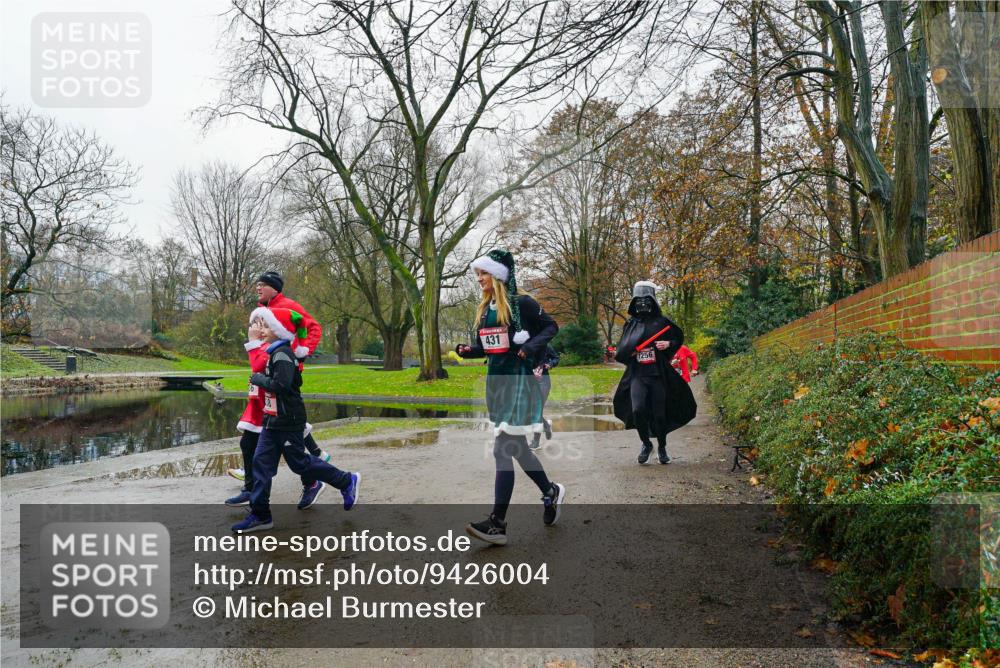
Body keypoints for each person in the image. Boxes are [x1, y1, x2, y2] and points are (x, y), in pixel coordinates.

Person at [456, 250, 564, 546]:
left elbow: (551, 327)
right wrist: (468, 351)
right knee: (517, 449)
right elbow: (488, 349)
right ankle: (550, 491)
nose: (479, 279)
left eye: (484, 273)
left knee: (503, 449)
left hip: (520, 383)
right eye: (477, 273)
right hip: (497, 385)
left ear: (499, 275)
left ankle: (497, 523)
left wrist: (530, 348)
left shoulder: (522, 304)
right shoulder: (485, 308)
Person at [232, 307, 360, 533]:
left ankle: (346, 480)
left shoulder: (282, 354)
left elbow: (282, 385)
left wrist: (260, 379)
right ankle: (261, 515)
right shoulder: (275, 351)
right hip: (273, 421)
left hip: (288, 421)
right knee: (260, 463)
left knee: (300, 463)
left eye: (268, 326)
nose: (263, 330)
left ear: (280, 331)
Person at [227, 271, 329, 510]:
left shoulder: (288, 307)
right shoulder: (261, 309)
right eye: (257, 284)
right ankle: (251, 489)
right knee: (252, 439)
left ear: (274, 288)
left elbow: (313, 328)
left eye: (262, 285)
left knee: (288, 440)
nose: (258, 288)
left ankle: (315, 480)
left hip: (279, 377)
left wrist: (301, 354)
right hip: (264, 378)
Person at [613, 281, 697, 465]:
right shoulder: (631, 324)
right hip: (637, 376)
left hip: (658, 375)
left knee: (660, 414)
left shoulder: (663, 322)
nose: (642, 304)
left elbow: (676, 339)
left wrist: (668, 344)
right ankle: (645, 444)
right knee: (637, 409)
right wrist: (630, 351)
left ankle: (662, 446)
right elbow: (622, 349)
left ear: (652, 300)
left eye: (646, 300)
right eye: (639, 300)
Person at [529, 345, 560, 451]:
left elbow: (556, 358)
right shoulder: (526, 346)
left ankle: (536, 441)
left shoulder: (546, 346)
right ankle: (546, 426)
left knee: (537, 410)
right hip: (529, 381)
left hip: (543, 382)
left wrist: (550, 364)